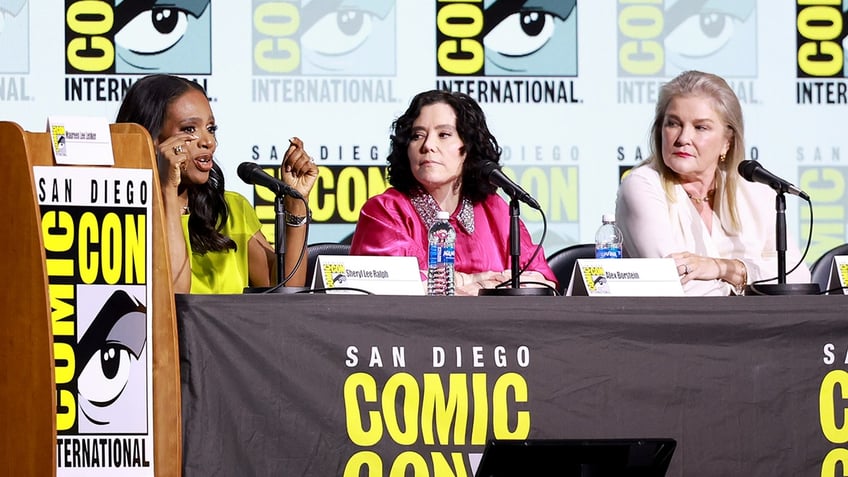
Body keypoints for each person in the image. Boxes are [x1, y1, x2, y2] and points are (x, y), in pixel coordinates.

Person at [116, 74, 317, 293]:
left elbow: (284, 292)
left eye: (211, 129)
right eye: (189, 129)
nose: (208, 142)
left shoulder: (231, 210)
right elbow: (174, 301)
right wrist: (167, 191)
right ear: (152, 140)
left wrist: (296, 203)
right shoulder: (124, 216)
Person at [615, 70, 811, 296]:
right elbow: (672, 282)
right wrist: (748, 284)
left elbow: (796, 277)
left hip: (756, 328)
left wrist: (722, 268)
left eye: (700, 127)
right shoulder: (641, 185)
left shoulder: (755, 190)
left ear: (727, 142)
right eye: (673, 124)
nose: (683, 138)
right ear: (660, 130)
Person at [349, 89, 557, 295]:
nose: (428, 145)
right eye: (417, 135)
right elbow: (393, 286)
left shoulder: (496, 209)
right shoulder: (385, 211)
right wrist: (476, 281)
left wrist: (464, 287)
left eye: (444, 135)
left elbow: (541, 280)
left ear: (468, 147)